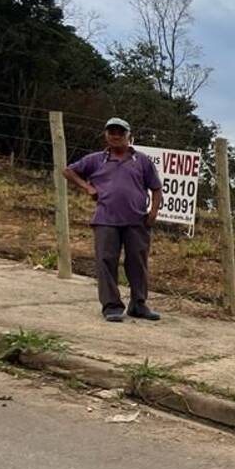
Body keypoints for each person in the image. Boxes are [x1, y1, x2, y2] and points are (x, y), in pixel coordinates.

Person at [63, 117, 164, 322]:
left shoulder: (142, 160)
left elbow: (156, 188)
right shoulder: (96, 159)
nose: (116, 136)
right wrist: (87, 187)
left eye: (120, 132)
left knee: (137, 262)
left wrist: (153, 212)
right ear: (106, 135)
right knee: (106, 261)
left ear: (129, 136)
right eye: (111, 132)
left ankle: (139, 304)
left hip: (137, 219)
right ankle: (111, 306)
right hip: (106, 219)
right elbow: (68, 171)